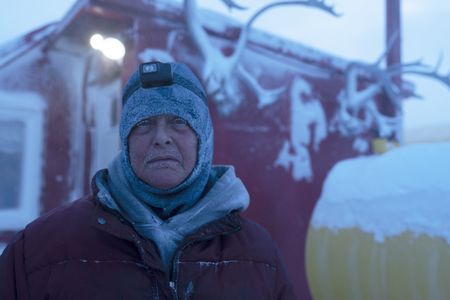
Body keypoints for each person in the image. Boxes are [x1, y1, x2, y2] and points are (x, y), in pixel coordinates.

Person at [0, 61, 295, 299]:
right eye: (144, 124)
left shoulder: (257, 254)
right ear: (125, 142)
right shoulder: (41, 249)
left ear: (202, 138)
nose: (161, 138)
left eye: (179, 122)